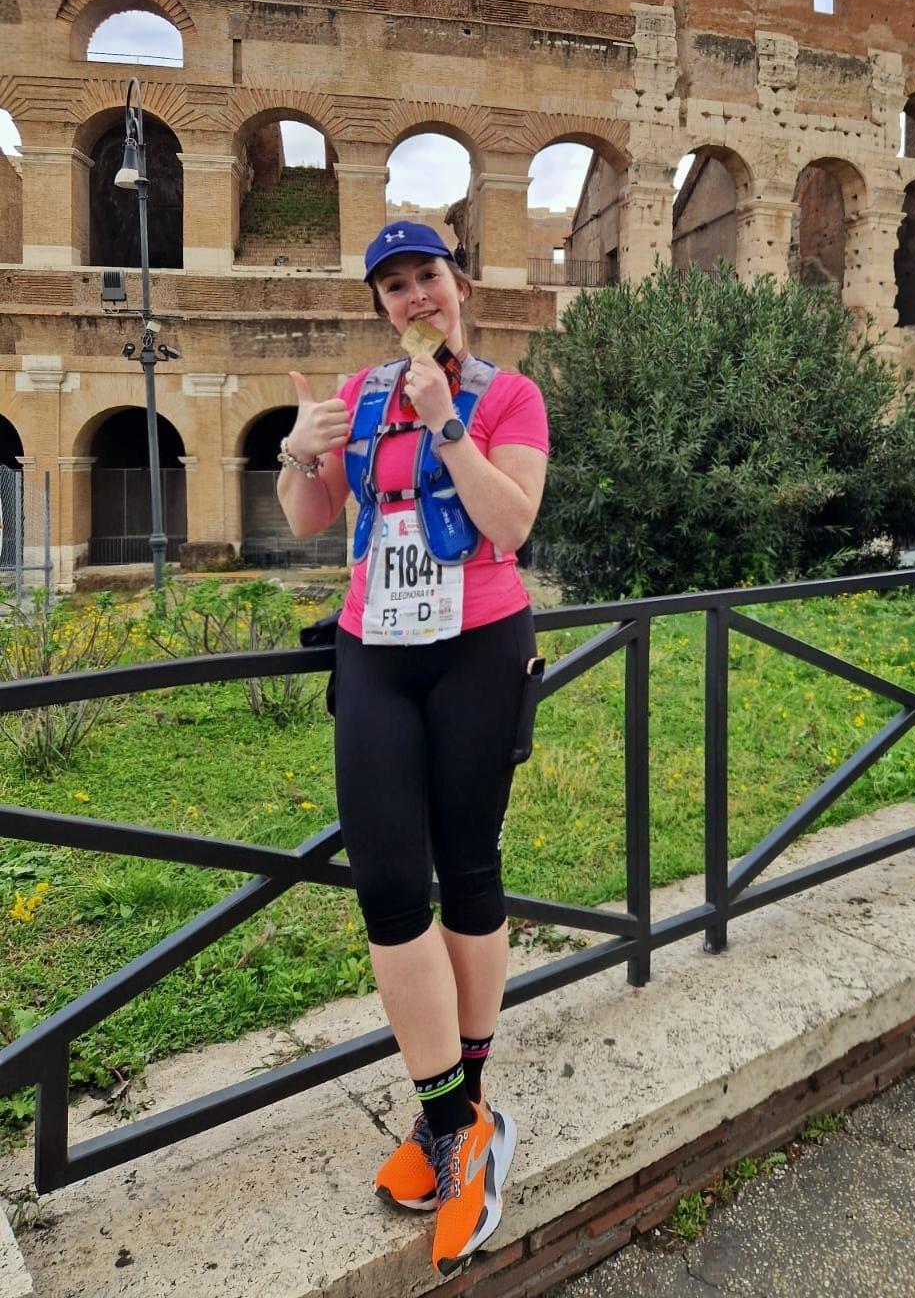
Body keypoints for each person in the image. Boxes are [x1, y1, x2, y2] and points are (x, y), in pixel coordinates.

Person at [276, 220, 549, 1279]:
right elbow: (309, 519)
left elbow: (510, 524)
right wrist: (301, 452)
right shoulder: (357, 395)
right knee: (389, 886)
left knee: (468, 869)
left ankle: (458, 1123)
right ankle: (455, 1125)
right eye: (393, 286)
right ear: (383, 306)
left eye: (426, 276)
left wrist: (447, 424)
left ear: (458, 284)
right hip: (375, 649)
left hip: (480, 644)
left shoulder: (509, 395)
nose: (413, 297)